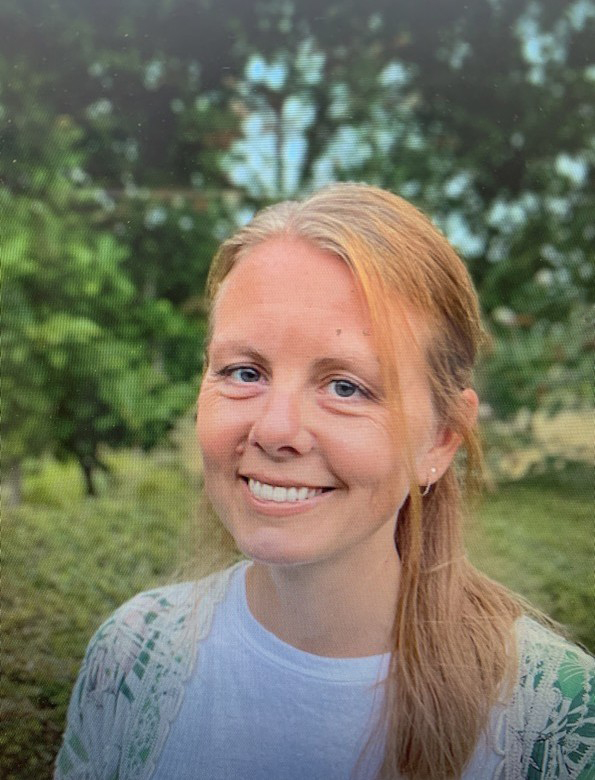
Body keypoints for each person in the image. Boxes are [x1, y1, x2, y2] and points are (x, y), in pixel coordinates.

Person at [54, 183, 594, 780]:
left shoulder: (552, 720)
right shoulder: (132, 658)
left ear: (441, 439)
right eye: (243, 371)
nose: (274, 429)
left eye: (345, 387)